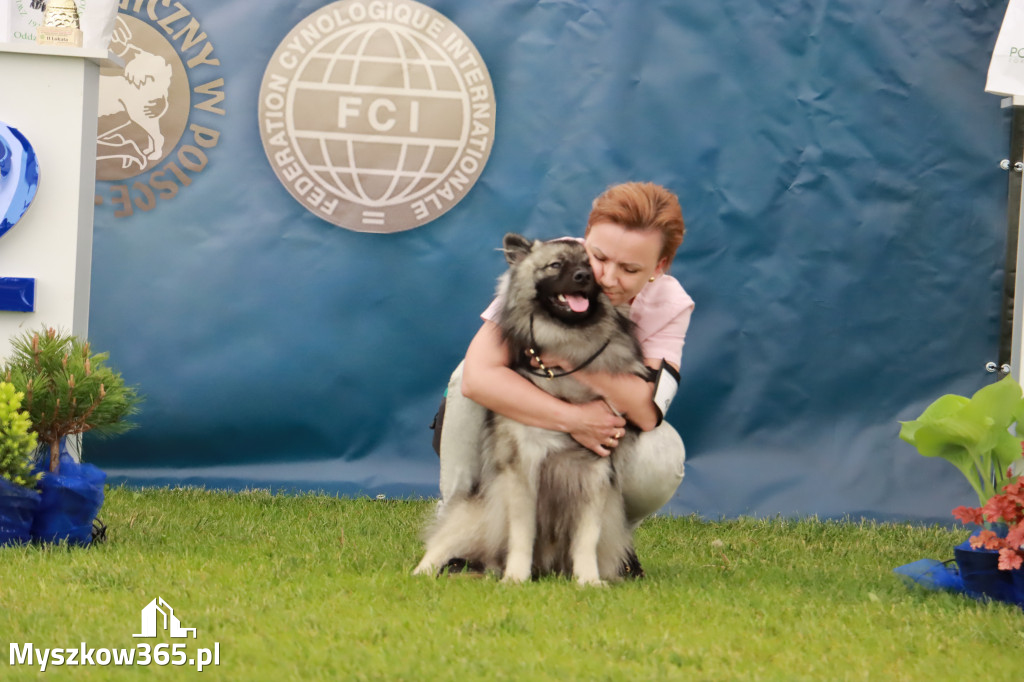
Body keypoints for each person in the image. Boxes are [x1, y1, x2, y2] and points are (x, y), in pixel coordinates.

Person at [436, 182, 694, 567]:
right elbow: (477, 376)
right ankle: (461, 539)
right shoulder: (552, 263)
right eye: (600, 256)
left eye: (630, 268)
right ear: (585, 238)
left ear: (658, 267)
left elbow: (646, 410)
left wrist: (574, 360)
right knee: (461, 384)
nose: (606, 277)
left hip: (593, 440)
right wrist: (573, 419)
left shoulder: (671, 305)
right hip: (524, 425)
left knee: (662, 453)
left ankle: (603, 541)